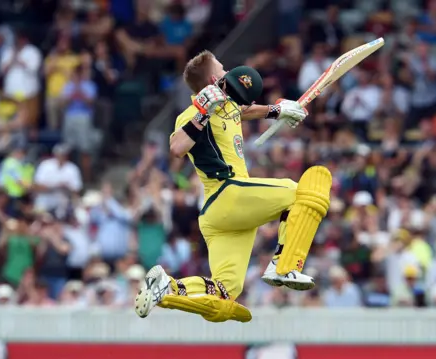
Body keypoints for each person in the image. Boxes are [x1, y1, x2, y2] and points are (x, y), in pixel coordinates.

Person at [135, 51, 331, 323]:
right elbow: (177, 147)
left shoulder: (227, 106)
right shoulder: (193, 112)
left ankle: (167, 288)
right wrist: (203, 111)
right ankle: (282, 265)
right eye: (223, 68)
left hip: (222, 216)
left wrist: (277, 110)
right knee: (300, 193)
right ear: (215, 78)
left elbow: (242, 111)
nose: (228, 71)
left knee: (225, 291)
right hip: (227, 194)